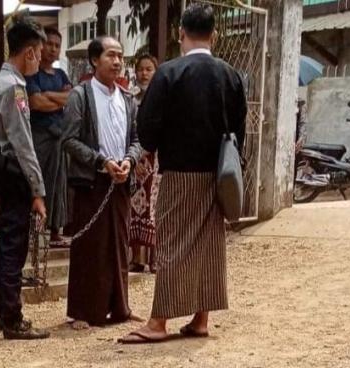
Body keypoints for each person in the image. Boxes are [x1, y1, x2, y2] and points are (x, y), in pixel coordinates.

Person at [120, 4, 247, 343]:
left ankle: (159, 321)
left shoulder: (169, 72)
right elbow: (239, 129)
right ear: (214, 36)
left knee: (173, 243)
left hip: (180, 170)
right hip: (218, 171)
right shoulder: (231, 74)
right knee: (208, 243)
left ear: (180, 34)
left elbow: (147, 129)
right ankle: (200, 318)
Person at [63, 36, 143, 329]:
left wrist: (128, 161)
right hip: (91, 183)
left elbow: (137, 139)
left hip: (120, 183)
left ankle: (120, 308)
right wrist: (100, 161)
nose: (118, 61)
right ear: (95, 60)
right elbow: (68, 140)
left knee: (120, 245)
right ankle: (84, 311)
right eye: (111, 55)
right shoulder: (80, 96)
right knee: (90, 247)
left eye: (120, 56)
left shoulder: (127, 99)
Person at [0, 17, 50, 340]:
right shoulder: (15, 88)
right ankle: (12, 318)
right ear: (30, 53)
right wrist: (37, 189)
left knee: (4, 245)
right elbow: (22, 143)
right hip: (13, 171)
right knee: (13, 247)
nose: (41, 59)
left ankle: (1, 312)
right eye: (39, 52)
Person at [25, 27, 72, 246]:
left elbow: (71, 100)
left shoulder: (61, 74)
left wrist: (49, 96)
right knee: (36, 181)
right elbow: (35, 103)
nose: (53, 49)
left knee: (58, 183)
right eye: (50, 44)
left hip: (58, 137)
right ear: (41, 46)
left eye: (57, 46)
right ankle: (31, 230)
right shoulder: (32, 75)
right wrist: (57, 99)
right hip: (39, 136)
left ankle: (55, 230)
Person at [128, 54, 159, 273]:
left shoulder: (162, 98)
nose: (144, 73)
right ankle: (137, 258)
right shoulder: (129, 98)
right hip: (136, 158)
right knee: (136, 208)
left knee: (154, 208)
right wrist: (135, 157)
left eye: (149, 69)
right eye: (141, 69)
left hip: (156, 159)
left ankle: (155, 258)